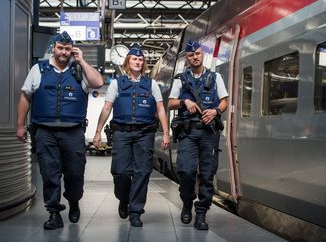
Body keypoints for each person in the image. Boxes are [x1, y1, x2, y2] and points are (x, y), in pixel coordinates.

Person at [16, 31, 104, 230]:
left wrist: (81, 61)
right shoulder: (38, 70)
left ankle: (74, 201)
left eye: (67, 48)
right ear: (53, 48)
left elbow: (98, 82)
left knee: (74, 173)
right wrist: (20, 125)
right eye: (60, 48)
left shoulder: (79, 71)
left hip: (73, 132)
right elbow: (25, 97)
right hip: (45, 131)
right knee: (49, 174)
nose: (63, 52)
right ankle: (54, 213)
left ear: (72, 50)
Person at [92, 47, 170, 227]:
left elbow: (160, 109)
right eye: (134, 59)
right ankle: (123, 198)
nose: (138, 62)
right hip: (122, 133)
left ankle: (135, 211)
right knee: (120, 172)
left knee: (142, 172)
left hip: (145, 133)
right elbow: (106, 108)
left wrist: (166, 133)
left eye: (140, 59)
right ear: (128, 62)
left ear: (143, 63)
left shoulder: (151, 84)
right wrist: (97, 131)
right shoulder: (116, 84)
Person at [167, 40, 228, 230]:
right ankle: (187, 203)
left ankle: (201, 212)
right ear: (187, 57)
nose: (195, 57)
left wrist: (216, 111)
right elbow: (170, 103)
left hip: (209, 132)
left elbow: (225, 101)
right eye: (191, 55)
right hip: (188, 132)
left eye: (198, 54)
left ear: (203, 55)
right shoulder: (180, 79)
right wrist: (184, 101)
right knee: (186, 171)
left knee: (208, 174)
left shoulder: (215, 77)